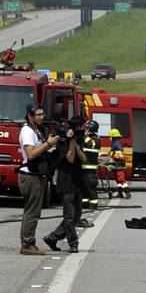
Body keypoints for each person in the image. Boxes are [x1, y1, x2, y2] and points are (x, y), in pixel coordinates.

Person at [18, 105, 59, 255]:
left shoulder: (36, 130)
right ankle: (27, 244)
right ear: (30, 116)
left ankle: (28, 243)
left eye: (43, 114)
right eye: (38, 114)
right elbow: (31, 154)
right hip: (30, 176)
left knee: (33, 211)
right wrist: (48, 144)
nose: (42, 117)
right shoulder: (28, 131)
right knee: (32, 212)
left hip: (36, 175)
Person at [43, 119, 87, 253]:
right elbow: (71, 158)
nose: (83, 129)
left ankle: (53, 237)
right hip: (66, 182)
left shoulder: (79, 140)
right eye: (81, 126)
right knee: (69, 216)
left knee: (77, 215)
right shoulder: (62, 142)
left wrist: (75, 142)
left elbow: (83, 158)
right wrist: (71, 141)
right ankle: (73, 243)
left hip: (78, 181)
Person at [81, 120, 100, 211]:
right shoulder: (92, 138)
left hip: (89, 169)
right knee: (84, 187)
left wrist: (85, 135)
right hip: (85, 168)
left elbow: (88, 144)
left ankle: (93, 205)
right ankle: (84, 203)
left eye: (87, 128)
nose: (85, 129)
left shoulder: (93, 139)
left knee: (90, 187)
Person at [109, 128, 131, 199]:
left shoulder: (116, 144)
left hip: (119, 165)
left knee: (121, 179)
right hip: (117, 164)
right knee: (117, 179)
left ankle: (127, 192)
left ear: (113, 137)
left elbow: (119, 155)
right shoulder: (116, 143)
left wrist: (111, 155)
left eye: (111, 136)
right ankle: (120, 193)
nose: (110, 138)